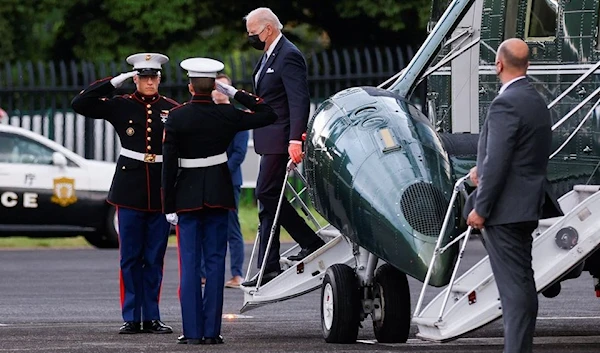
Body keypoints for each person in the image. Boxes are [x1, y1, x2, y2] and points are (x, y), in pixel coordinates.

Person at [161, 57, 276, 345]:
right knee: (215, 263)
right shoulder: (227, 115)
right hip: (218, 194)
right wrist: (234, 93)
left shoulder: (176, 116)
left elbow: (168, 165)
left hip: (186, 196)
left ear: (189, 86)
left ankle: (192, 331)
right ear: (214, 86)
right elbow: (267, 113)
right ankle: (211, 332)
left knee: (190, 265)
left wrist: (168, 205)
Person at [71, 52, 178, 335]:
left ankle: (152, 316)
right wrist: (115, 82)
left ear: (160, 78)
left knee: (154, 257)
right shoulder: (120, 105)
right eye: (143, 77)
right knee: (130, 257)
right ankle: (132, 316)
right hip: (129, 188)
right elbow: (80, 103)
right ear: (135, 79)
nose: (150, 81)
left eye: (154, 76)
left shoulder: (172, 108)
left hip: (160, 190)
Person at [464, 38, 552, 353]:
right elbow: (522, 154)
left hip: (503, 211)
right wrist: (481, 170)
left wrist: (482, 208)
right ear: (526, 64)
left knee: (514, 290)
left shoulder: (506, 103)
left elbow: (499, 160)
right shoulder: (535, 100)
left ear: (498, 64)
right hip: (526, 206)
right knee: (521, 285)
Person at [241, 7, 325, 288]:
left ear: (268, 29)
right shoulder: (268, 55)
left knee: (267, 194)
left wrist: (295, 139)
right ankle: (268, 266)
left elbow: (298, 100)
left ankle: (309, 241)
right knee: (268, 201)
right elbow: (267, 97)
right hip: (269, 138)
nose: (251, 37)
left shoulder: (288, 55)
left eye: (253, 33)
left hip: (281, 139)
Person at [211, 73, 249, 289]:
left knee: (231, 228)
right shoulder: (206, 114)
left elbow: (239, 153)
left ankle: (237, 274)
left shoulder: (238, 117)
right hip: (208, 178)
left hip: (228, 180)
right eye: (217, 87)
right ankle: (206, 274)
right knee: (208, 226)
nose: (219, 91)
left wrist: (219, 172)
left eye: (224, 88)